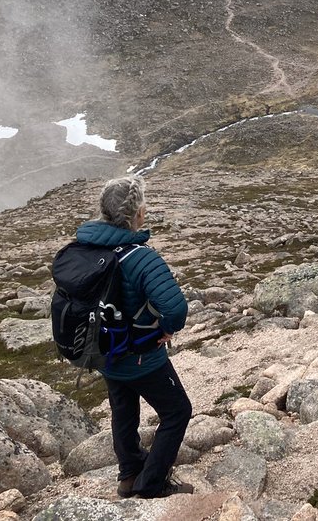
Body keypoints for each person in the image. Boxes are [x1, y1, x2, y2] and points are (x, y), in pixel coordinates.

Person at [75, 176, 192, 499]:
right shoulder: (140, 256)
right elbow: (175, 308)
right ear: (137, 213)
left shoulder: (86, 248)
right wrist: (167, 328)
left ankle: (128, 475)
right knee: (177, 411)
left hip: (104, 353)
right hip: (141, 355)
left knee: (123, 409)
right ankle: (151, 483)